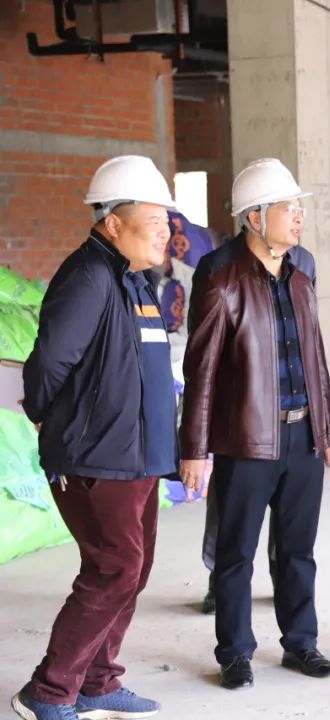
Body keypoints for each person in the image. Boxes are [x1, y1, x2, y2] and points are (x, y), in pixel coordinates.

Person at [13, 156, 177, 720]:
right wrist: (46, 416)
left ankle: (99, 682)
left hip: (138, 457)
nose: (166, 232)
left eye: (166, 221)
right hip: (96, 458)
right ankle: (49, 691)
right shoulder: (88, 277)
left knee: (132, 571)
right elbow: (48, 363)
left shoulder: (134, 280)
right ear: (112, 223)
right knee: (113, 569)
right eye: (154, 221)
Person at [179, 158, 330, 690]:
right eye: (289, 209)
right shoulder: (220, 275)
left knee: (298, 551)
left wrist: (327, 432)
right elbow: (201, 369)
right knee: (236, 555)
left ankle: (301, 643)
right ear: (255, 217)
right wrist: (195, 448)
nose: (299, 217)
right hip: (246, 439)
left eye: (298, 209)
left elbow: (315, 356)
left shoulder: (302, 271)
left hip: (302, 437)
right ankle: (235, 653)